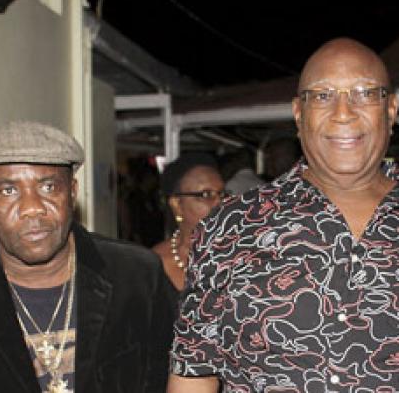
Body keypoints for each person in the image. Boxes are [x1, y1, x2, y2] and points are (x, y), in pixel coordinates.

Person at [167, 37, 399, 392]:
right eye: (322, 96)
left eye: (364, 93)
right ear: (298, 113)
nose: (343, 112)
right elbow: (193, 374)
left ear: (392, 108)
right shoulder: (229, 227)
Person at [0, 120, 173, 393]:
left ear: (71, 192)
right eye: (8, 190)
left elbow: (182, 373)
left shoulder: (138, 274)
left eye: (48, 187)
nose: (32, 208)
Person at [152, 153, 226, 305]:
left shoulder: (242, 256)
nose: (220, 204)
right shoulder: (154, 265)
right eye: (206, 195)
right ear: (177, 205)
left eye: (223, 194)